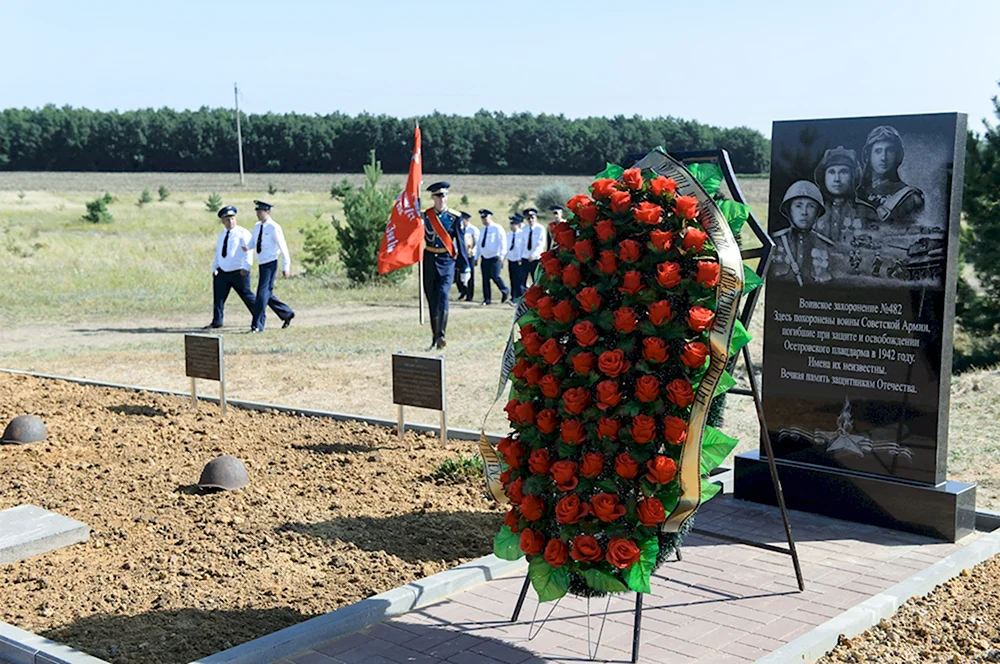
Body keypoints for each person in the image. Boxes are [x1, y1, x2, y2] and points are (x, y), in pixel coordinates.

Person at [422, 182, 468, 349]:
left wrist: (465, 267)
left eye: (444, 195)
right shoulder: (425, 216)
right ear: (433, 197)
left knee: (443, 294)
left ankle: (441, 335)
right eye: (438, 196)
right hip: (428, 259)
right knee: (432, 298)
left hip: (447, 259)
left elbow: (461, 244)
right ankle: (435, 338)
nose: (442, 199)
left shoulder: (455, 217)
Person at [857, 125, 924, 224]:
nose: (883, 158)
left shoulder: (911, 198)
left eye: (889, 151)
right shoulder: (858, 194)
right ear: (868, 156)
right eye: (878, 151)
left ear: (898, 155)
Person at [772, 181, 834, 286]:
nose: (804, 212)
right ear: (789, 210)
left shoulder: (826, 246)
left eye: (811, 206)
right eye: (798, 206)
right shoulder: (776, 242)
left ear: (817, 212)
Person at [246, 200, 294, 333]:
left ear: (267, 212)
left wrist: (286, 266)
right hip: (261, 263)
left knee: (261, 294)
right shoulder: (257, 226)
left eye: (260, 212)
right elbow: (253, 242)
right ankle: (286, 313)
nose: (258, 215)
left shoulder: (274, 227)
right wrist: (246, 247)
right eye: (257, 212)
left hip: (271, 263)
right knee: (267, 294)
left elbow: (283, 248)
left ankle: (257, 325)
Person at [205, 205, 256, 329]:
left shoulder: (242, 233)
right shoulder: (223, 235)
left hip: (239, 271)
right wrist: (215, 268)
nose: (230, 222)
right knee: (218, 299)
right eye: (227, 219)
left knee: (247, 297)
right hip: (223, 271)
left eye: (232, 218)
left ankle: (259, 317)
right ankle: (217, 321)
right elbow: (218, 253)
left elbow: (248, 251)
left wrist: (246, 267)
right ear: (222, 221)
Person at [477, 209, 509, 305]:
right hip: (485, 257)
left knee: (495, 276)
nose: (484, 220)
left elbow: (503, 242)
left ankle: (505, 290)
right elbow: (479, 244)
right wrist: (476, 257)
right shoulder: (482, 230)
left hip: (495, 257)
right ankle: (487, 299)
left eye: (485, 218)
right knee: (485, 279)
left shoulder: (497, 228)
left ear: (490, 217)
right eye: (482, 218)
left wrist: (502, 255)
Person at [521, 207, 546, 291]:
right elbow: (522, 244)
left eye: (532, 217)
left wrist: (534, 254)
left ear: (536, 218)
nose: (530, 220)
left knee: (536, 281)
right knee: (522, 281)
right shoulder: (524, 229)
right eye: (528, 218)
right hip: (525, 257)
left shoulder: (540, 229)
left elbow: (541, 244)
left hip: (535, 259)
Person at [457, 211, 479, 302]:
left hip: (470, 255)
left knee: (470, 275)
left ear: (466, 220)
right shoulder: (459, 228)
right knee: (457, 274)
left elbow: (478, 243)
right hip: (461, 254)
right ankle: (463, 291)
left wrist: (473, 252)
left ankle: (469, 295)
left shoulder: (473, 229)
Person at [506, 214, 525, 304]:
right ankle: (513, 297)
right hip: (511, 259)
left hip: (519, 260)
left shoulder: (522, 234)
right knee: (512, 279)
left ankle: (519, 297)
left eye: (514, 224)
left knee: (519, 280)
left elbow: (522, 247)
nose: (512, 226)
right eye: (511, 224)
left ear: (518, 225)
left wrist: (521, 258)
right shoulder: (509, 235)